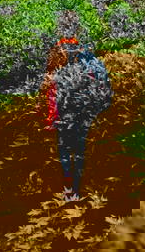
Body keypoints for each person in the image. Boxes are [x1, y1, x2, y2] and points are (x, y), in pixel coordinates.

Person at [40, 10, 112, 202]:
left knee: (65, 149)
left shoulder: (57, 54)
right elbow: (102, 82)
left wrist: (51, 114)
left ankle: (69, 189)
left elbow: (49, 86)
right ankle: (77, 189)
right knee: (79, 148)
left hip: (65, 109)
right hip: (84, 108)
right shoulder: (87, 54)